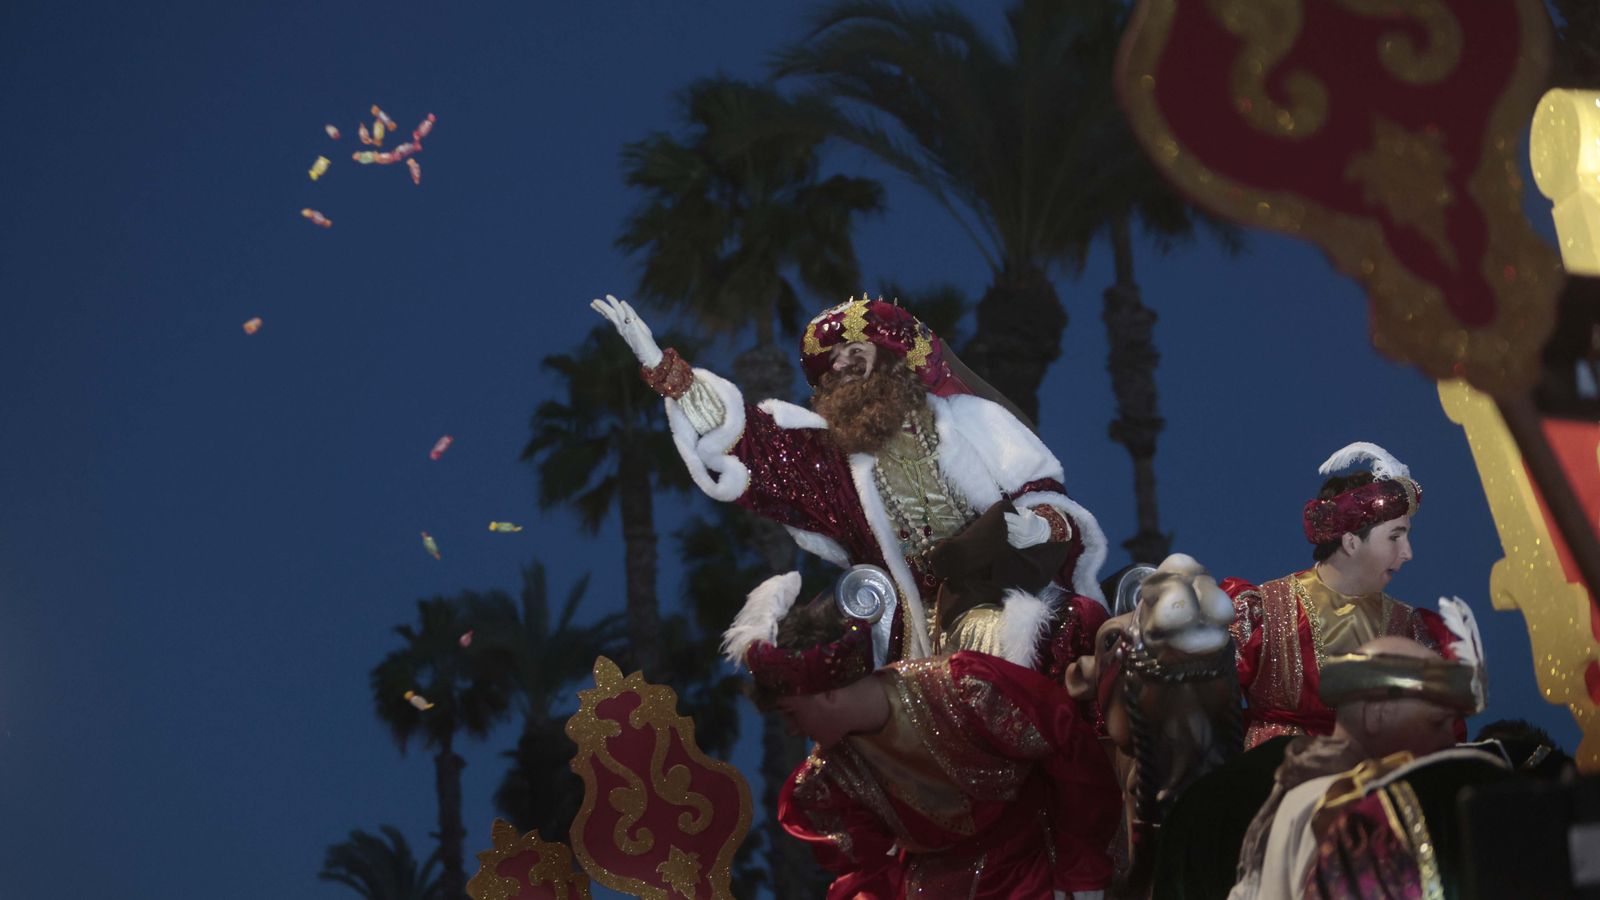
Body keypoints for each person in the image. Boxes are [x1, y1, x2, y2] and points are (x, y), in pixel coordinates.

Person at [594, 293, 1109, 668]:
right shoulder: (835, 463)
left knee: (1075, 635)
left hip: (1014, 597)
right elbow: (752, 445)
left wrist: (1038, 528)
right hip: (913, 638)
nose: (838, 365)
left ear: (890, 359)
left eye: (851, 353)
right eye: (829, 365)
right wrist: (667, 372)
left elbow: (1048, 502)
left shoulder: (975, 421)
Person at [721, 569, 1121, 899]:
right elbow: (867, 876)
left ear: (825, 693)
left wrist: (1079, 868)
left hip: (1035, 865)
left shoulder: (966, 690)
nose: (792, 729)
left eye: (791, 713)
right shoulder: (827, 782)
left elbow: (1072, 752)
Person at [1227, 620, 1489, 900]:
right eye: (1437, 724)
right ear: (1376, 713)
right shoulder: (1355, 804)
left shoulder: (1300, 791)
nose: (1449, 741)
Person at [1228, 442, 1455, 748]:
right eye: (1394, 537)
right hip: (1273, 780)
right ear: (1350, 543)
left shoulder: (1409, 629)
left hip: (1374, 785)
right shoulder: (1263, 612)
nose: (1408, 553)